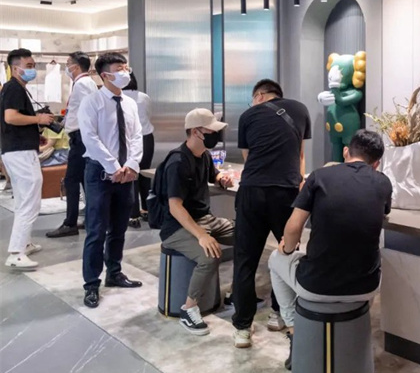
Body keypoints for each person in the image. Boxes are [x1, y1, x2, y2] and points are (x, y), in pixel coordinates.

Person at [269, 130, 392, 370]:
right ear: (377, 163)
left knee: (275, 260)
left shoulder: (319, 177)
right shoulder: (383, 182)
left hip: (316, 285)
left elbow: (293, 227)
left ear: (346, 152)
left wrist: (287, 251)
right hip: (365, 287)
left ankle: (294, 331)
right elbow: (382, 212)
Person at [232, 79, 311, 348]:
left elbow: (248, 158)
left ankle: (243, 328)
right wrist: (297, 183)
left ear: (260, 96)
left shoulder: (247, 116)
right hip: (286, 192)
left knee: (245, 259)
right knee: (286, 254)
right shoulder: (300, 109)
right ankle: (279, 314)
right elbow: (300, 154)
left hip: (252, 191)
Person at [161, 108, 235, 335]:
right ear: (195, 132)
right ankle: (189, 309)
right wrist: (201, 235)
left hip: (206, 219)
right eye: (211, 131)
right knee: (209, 256)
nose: (215, 136)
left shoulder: (203, 155)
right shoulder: (177, 162)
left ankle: (237, 292)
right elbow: (175, 207)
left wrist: (221, 178)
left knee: (247, 235)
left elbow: (213, 174)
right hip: (176, 227)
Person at [78, 52, 143, 308]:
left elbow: (136, 136)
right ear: (105, 74)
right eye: (119, 68)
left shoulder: (130, 103)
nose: (126, 72)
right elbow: (90, 138)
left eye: (126, 67)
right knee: (96, 230)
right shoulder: (92, 102)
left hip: (126, 174)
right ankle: (91, 284)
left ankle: (114, 273)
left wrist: (131, 165)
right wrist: (113, 166)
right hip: (99, 173)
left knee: (119, 227)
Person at [1, 48, 54, 270]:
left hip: (19, 148)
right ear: (15, 68)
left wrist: (35, 132)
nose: (33, 70)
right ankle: (16, 253)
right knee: (29, 200)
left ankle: (24, 243)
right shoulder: (13, 88)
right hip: (20, 152)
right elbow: (11, 117)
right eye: (29, 66)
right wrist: (38, 119)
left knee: (25, 198)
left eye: (33, 66)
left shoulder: (16, 89)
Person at [46, 51, 98, 238]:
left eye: (68, 63)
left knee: (72, 180)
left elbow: (89, 110)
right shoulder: (85, 82)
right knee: (83, 180)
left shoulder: (82, 84)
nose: (66, 67)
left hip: (81, 137)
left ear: (75, 66)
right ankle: (90, 218)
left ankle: (70, 223)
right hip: (81, 136)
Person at [123, 73, 155, 228]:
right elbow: (148, 114)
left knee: (131, 175)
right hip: (147, 138)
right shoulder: (144, 97)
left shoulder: (119, 98)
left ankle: (133, 215)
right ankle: (147, 210)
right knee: (145, 174)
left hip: (129, 140)